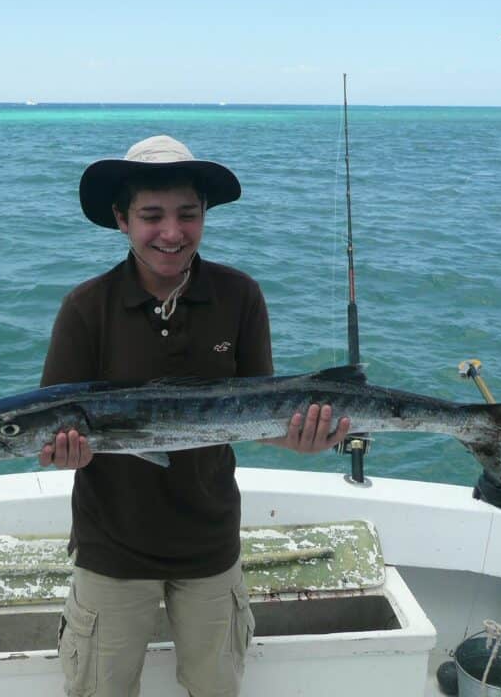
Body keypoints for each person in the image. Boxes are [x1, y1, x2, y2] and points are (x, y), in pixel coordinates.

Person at [38, 135, 351, 697]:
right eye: (151, 215)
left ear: (205, 215)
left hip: (210, 540)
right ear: (121, 219)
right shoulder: (86, 308)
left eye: (188, 214)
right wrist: (65, 454)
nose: (171, 232)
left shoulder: (240, 296)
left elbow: (260, 413)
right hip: (111, 546)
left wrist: (300, 440)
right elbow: (52, 431)